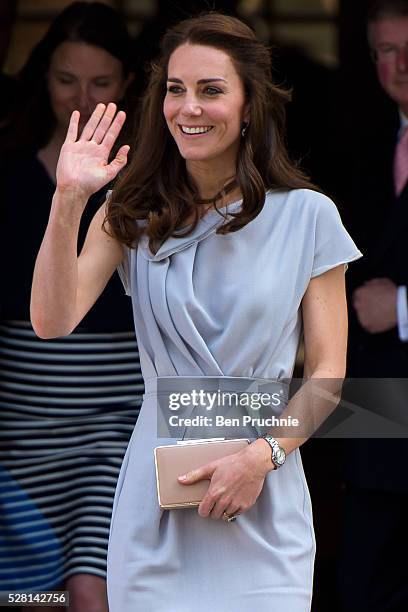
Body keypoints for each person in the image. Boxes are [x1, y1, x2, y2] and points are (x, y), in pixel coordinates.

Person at [30, 13, 361, 611]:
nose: (190, 108)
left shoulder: (309, 216)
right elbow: (53, 322)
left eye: (211, 90)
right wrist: (68, 200)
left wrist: (260, 460)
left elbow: (329, 379)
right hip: (156, 505)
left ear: (249, 106)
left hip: (266, 494)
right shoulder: (128, 212)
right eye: (176, 90)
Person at [0, 3, 143, 611]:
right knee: (32, 598)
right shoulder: (6, 174)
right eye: (66, 80)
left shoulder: (145, 183)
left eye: (101, 82)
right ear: (43, 78)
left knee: (92, 592)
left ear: (129, 84)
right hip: (22, 433)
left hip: (116, 424)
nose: (82, 98)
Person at [337, 1, 408, 609]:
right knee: (362, 585)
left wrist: (405, 307)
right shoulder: (367, 145)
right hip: (374, 411)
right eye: (387, 50)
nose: (402, 65)